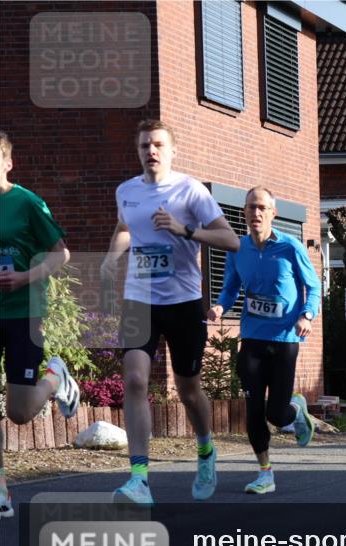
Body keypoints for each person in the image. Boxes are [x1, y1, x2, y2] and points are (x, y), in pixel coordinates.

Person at [100, 120, 239, 505]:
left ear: (172, 150)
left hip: (183, 302)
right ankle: (139, 479)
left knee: (189, 391)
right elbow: (125, 228)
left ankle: (205, 449)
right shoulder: (126, 191)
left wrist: (185, 231)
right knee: (134, 381)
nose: (151, 151)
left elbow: (230, 240)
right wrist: (112, 257)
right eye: (145, 145)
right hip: (139, 299)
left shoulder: (191, 191)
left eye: (158, 144)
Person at [207, 186, 321, 495]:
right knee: (254, 410)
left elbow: (313, 286)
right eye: (250, 207)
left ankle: (296, 410)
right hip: (252, 339)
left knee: (276, 414)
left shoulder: (290, 246)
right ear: (244, 212)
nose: (255, 213)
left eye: (261, 207)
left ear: (273, 213)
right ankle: (265, 473)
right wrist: (220, 306)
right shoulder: (238, 248)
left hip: (284, 338)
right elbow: (230, 288)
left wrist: (307, 316)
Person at [0, 131, 79, 518]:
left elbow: (60, 254)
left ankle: (56, 377)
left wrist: (23, 277)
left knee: (19, 412)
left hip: (23, 311)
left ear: (8, 162)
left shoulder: (27, 202)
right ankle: (1, 489)